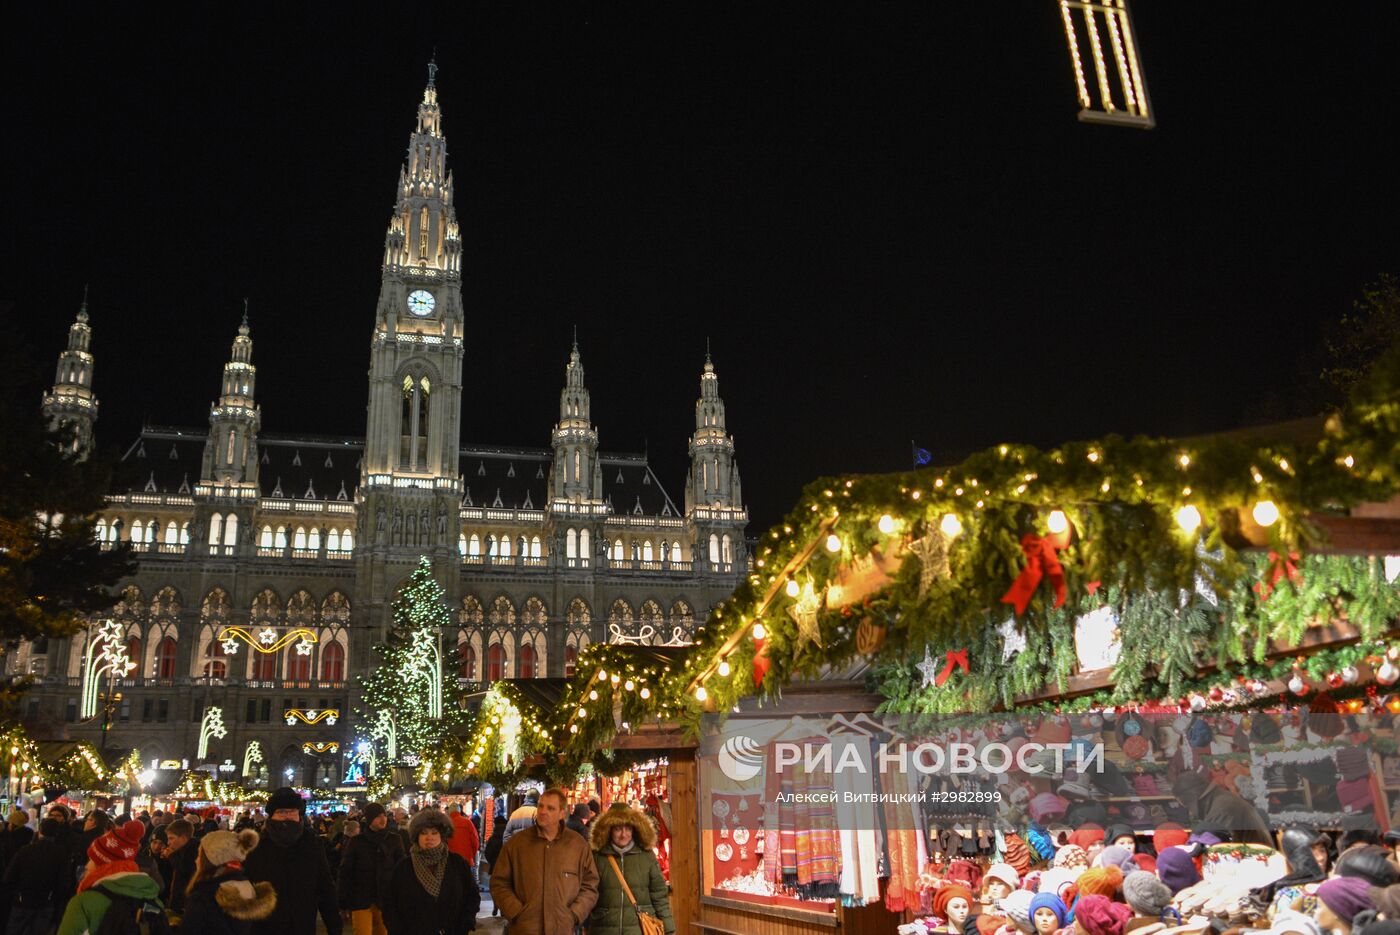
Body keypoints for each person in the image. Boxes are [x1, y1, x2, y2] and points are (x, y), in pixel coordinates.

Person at [491, 787, 598, 935]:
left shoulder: (577, 845)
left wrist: (574, 914)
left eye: (550, 808)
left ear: (562, 813)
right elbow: (499, 882)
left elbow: (590, 885)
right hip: (525, 929)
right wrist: (516, 912)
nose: (543, 811)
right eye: (541, 806)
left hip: (562, 929)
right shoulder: (517, 844)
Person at [243, 787, 342, 935]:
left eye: (292, 811)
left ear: (299, 814)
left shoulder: (312, 844)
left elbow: (324, 886)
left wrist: (334, 926)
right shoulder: (255, 846)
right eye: (281, 812)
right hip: (263, 926)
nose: (287, 816)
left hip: (301, 924)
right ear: (272, 815)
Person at [55, 819, 162, 935]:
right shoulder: (152, 900)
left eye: (91, 859)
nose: (87, 864)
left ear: (98, 863)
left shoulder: (83, 902)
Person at [382, 808, 479, 935]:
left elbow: (472, 895)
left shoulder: (457, 863)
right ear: (416, 836)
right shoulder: (404, 867)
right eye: (424, 833)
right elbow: (390, 903)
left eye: (434, 833)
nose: (429, 837)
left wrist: (466, 924)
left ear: (442, 835)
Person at [587, 802, 675, 935]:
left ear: (635, 829)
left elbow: (659, 896)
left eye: (628, 828)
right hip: (604, 929)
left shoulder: (646, 856)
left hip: (639, 930)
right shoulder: (597, 857)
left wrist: (669, 929)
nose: (623, 834)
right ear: (608, 829)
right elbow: (588, 894)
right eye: (618, 829)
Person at [181, 829, 276, 934]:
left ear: (212, 860)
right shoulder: (245, 887)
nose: (196, 860)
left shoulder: (205, 895)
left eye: (200, 855)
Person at [339, 802, 405, 935]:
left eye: (384, 815)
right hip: (361, 899)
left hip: (386, 899)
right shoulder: (357, 842)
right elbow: (346, 872)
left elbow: (402, 869)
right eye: (378, 816)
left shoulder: (394, 839)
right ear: (369, 819)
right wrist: (343, 902)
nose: (383, 819)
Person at [4, 817, 74, 935]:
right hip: (46, 901)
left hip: (22, 899)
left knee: (14, 930)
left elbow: (9, 877)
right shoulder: (61, 854)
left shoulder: (26, 850)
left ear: (40, 831)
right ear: (56, 833)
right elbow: (64, 883)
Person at [1171, 772, 1273, 845]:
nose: (1190, 813)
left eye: (1187, 806)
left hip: (1257, 863)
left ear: (1192, 800)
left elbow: (1216, 847)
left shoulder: (1222, 808)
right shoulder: (1219, 800)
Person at [157, 817, 197, 915]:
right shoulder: (180, 851)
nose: (168, 842)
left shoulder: (193, 853)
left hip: (185, 907)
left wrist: (171, 856)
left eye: (171, 838)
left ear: (183, 838)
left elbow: (184, 872)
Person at [447, 804, 480, 878]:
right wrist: (471, 855)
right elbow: (475, 842)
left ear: (449, 812)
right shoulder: (468, 822)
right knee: (468, 886)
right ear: (460, 811)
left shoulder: (446, 824)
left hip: (450, 862)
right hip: (467, 860)